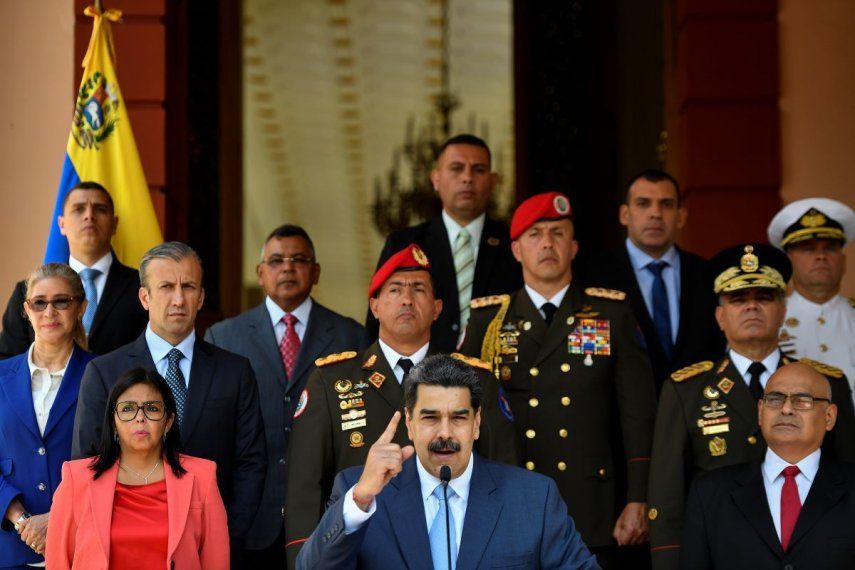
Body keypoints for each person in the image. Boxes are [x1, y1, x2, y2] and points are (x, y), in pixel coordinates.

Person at [284, 244, 517, 567]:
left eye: (418, 289)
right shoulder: (331, 380)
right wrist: (305, 560)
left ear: (437, 308)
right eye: (395, 289)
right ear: (375, 306)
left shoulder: (474, 379)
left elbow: (503, 477)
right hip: (362, 555)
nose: (407, 299)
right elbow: (304, 490)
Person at [460, 191, 658, 567]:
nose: (547, 243)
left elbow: (639, 415)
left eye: (558, 233)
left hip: (590, 504)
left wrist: (639, 498)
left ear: (574, 247)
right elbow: (465, 416)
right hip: (510, 499)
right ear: (516, 250)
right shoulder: (489, 321)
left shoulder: (610, 314)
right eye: (535, 235)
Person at [647, 243, 855, 570]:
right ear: (720, 316)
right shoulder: (685, 389)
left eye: (764, 297)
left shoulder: (827, 384)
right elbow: (667, 498)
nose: (752, 307)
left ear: (783, 310)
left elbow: (846, 476)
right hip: (723, 551)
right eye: (738, 299)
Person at [296, 354, 600, 569]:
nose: (445, 433)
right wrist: (361, 500)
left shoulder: (534, 498)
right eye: (430, 418)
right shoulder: (359, 491)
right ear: (410, 424)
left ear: (477, 423)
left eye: (458, 418)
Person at [71, 241, 266, 560]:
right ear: (144, 297)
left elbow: (251, 463)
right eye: (166, 287)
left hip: (213, 549)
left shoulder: (235, 371)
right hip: (127, 551)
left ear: (200, 297)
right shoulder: (105, 372)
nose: (178, 299)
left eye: (188, 286)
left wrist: (221, 539)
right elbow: (89, 463)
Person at [205, 223, 367, 564]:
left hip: (326, 513)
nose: (288, 268)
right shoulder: (224, 337)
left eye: (299, 260)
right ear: (260, 272)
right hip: (249, 517)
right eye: (277, 261)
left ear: (316, 272)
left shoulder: (351, 336)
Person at [47, 368, 229, 569]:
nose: (140, 417)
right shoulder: (76, 478)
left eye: (152, 408)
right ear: (113, 422)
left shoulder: (202, 476)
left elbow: (216, 562)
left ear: (168, 422)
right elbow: (58, 561)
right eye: (127, 409)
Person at [680, 362, 855, 568]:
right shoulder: (709, 493)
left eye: (802, 400)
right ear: (760, 411)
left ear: (829, 417)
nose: (786, 409)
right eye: (775, 399)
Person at [368, 134, 522, 351]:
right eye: (456, 168)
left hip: (496, 366)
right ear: (436, 179)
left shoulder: (514, 245)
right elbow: (377, 322)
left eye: (478, 170)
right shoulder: (404, 242)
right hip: (422, 368)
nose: (467, 177)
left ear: (493, 181)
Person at [584, 170, 724, 389]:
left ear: (681, 216)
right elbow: (588, 359)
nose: (655, 213)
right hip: (623, 407)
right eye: (643, 203)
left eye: (666, 204)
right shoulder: (591, 277)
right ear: (624, 214)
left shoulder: (709, 275)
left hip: (699, 405)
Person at [0, 263, 95, 567]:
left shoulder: (103, 374)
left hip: (81, 545)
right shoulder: (0, 375)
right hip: (9, 547)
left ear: (80, 307)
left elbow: (113, 460)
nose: (49, 312)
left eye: (61, 301)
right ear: (26, 309)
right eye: (39, 303)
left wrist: (58, 518)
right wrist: (21, 519)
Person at [0, 181, 148, 358]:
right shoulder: (27, 292)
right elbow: (8, 362)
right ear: (61, 224)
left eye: (100, 209)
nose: (89, 216)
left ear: (114, 224)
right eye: (78, 209)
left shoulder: (142, 287)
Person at [768, 197, 855, 394]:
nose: (821, 256)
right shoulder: (769, 318)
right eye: (808, 249)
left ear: (843, 262)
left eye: (830, 248)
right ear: (789, 261)